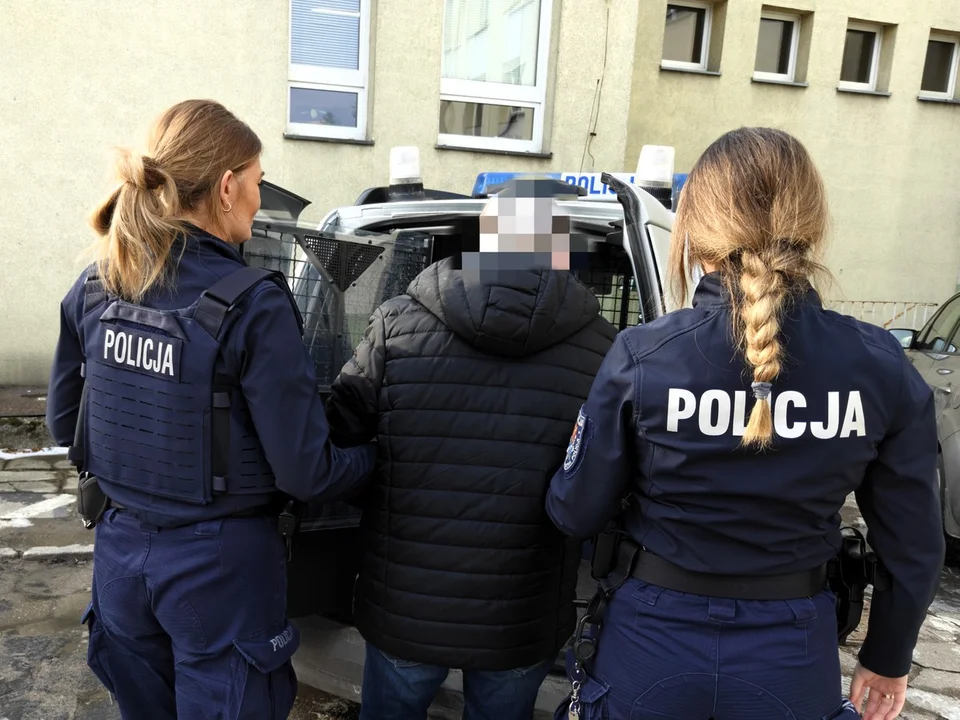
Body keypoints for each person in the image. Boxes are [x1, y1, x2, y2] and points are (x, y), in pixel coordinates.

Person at [545, 127, 945, 720]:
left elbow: (574, 511)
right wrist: (887, 655)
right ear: (810, 222)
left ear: (696, 227)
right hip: (791, 651)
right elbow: (914, 543)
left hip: (650, 642)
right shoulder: (880, 366)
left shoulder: (643, 355)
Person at [44, 99, 376, 720]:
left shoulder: (97, 284)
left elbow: (66, 424)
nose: (258, 197)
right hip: (220, 574)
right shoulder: (254, 304)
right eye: (256, 182)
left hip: (120, 559)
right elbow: (308, 473)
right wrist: (380, 460)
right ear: (227, 188)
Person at [323, 179, 618, 720]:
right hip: (520, 613)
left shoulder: (396, 321)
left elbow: (340, 433)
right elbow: (602, 474)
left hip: (406, 601)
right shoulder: (603, 347)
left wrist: (381, 481)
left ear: (484, 241)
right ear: (558, 248)